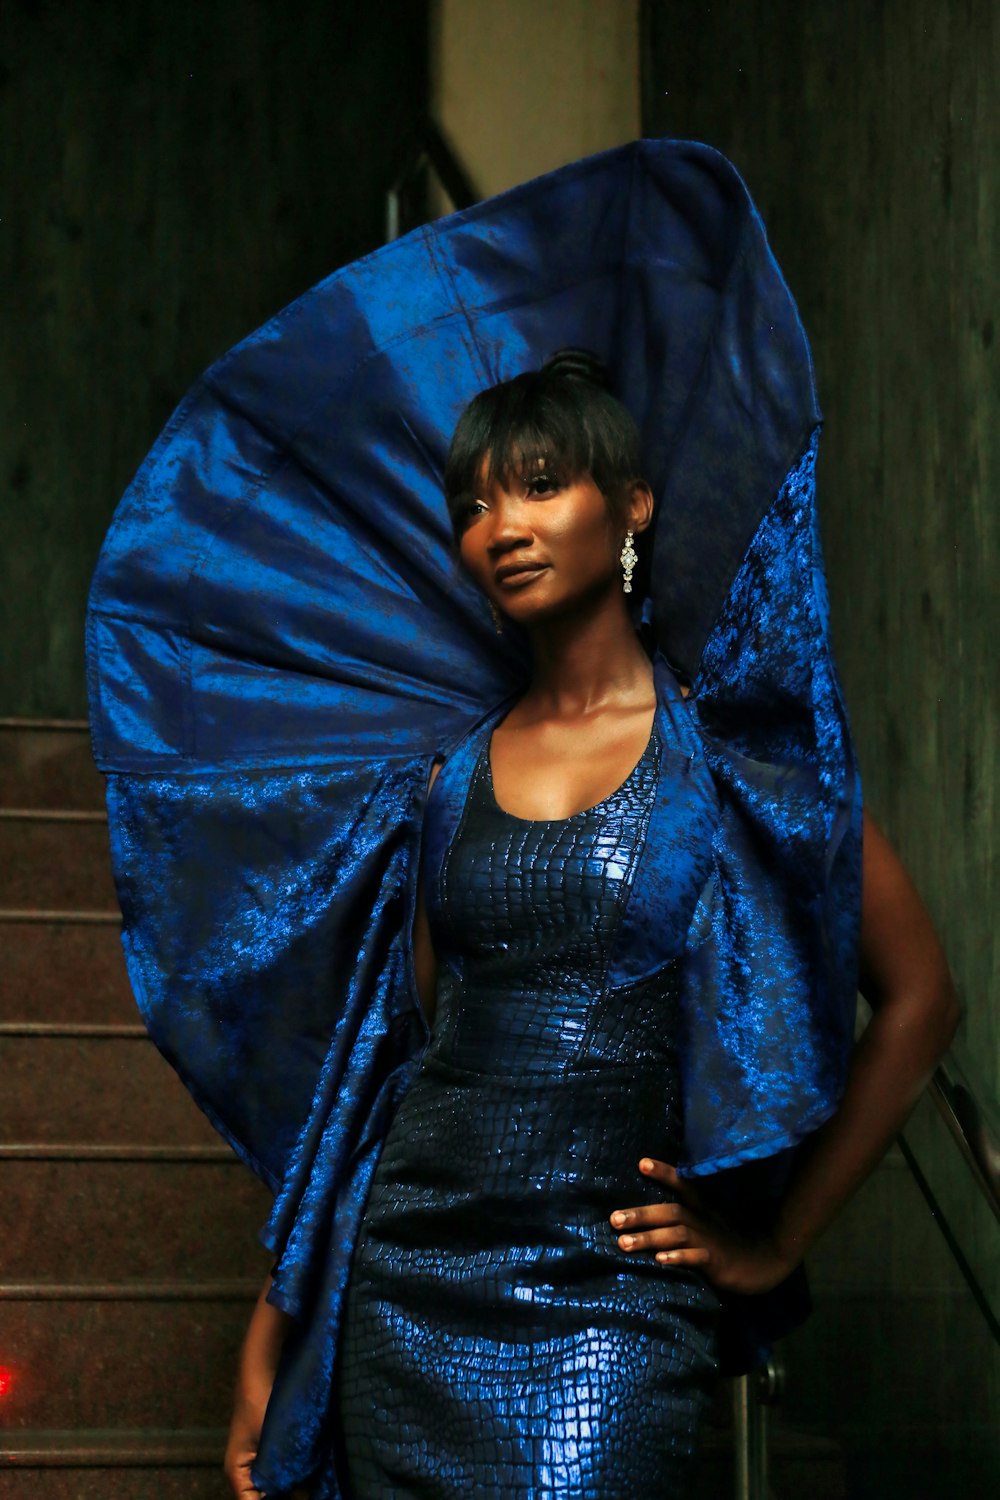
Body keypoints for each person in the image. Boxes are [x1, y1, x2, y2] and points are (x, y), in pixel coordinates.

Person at [85, 139, 959, 1500]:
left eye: (541, 483)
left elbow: (919, 999)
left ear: (632, 507)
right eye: (473, 501)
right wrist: (275, 1325)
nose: (500, 521)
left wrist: (777, 1241)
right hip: (410, 1284)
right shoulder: (443, 783)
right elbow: (381, 1077)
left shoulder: (733, 766)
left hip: (613, 1311)